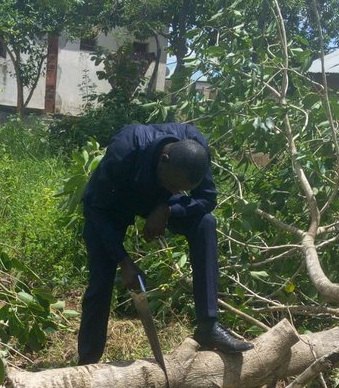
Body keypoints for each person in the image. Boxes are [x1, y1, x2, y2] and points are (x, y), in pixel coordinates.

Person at [77, 122, 254, 365]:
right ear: (164, 158)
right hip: (111, 205)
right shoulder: (126, 149)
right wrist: (123, 261)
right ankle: (88, 362)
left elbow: (207, 198)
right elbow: (95, 208)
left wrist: (168, 208)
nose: (176, 190)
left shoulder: (194, 148)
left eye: (180, 189)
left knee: (205, 222)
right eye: (173, 186)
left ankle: (208, 325)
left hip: (161, 204)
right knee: (101, 280)